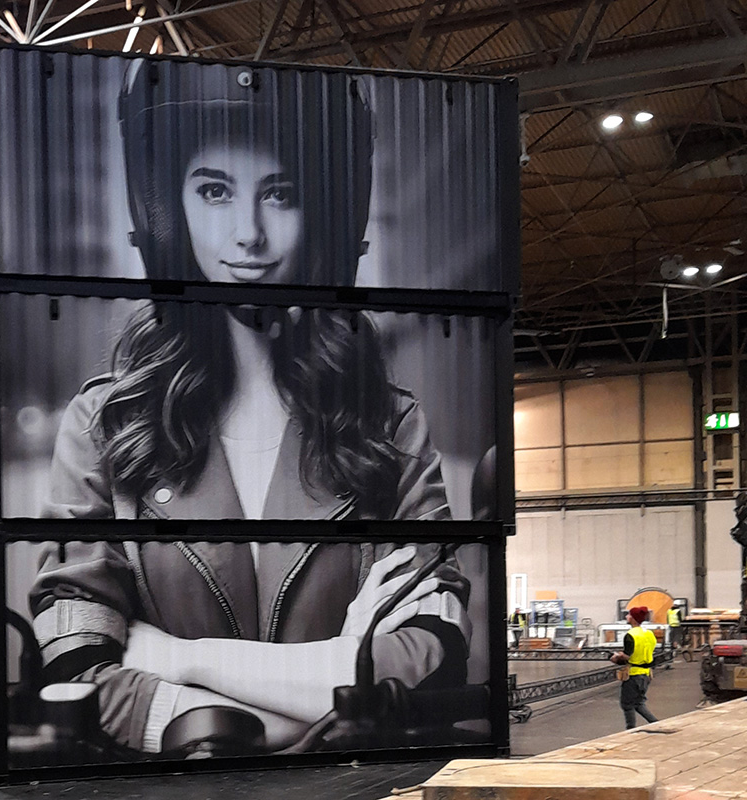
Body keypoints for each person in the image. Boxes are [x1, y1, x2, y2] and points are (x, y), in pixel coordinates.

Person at [26, 61, 478, 758]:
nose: (249, 235)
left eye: (281, 194)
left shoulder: (387, 422)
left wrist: (182, 662)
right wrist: (328, 679)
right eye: (213, 191)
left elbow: (429, 648)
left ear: (325, 213)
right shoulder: (104, 423)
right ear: (164, 209)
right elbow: (77, 665)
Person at [610, 606, 659, 729]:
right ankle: (657, 724)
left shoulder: (630, 635)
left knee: (627, 704)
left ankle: (630, 731)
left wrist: (616, 657)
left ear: (633, 618)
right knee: (638, 703)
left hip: (633, 674)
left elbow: (627, 656)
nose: (626, 616)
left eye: (628, 615)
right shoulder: (649, 634)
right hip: (646, 673)